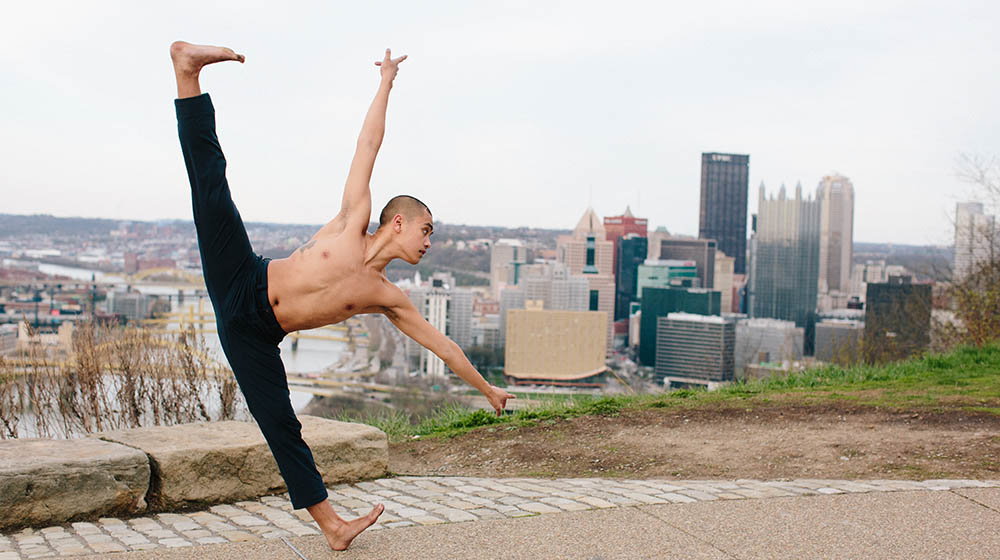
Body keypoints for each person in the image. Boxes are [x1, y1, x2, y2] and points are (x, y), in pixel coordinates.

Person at [169, 40, 514, 551]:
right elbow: (368, 145)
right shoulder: (353, 220)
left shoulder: (387, 296)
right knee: (211, 185)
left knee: (282, 426)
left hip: (257, 336)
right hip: (242, 276)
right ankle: (187, 72)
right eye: (427, 230)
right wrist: (386, 82)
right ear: (400, 222)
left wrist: (488, 390)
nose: (429, 241)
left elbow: (440, 345)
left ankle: (332, 527)